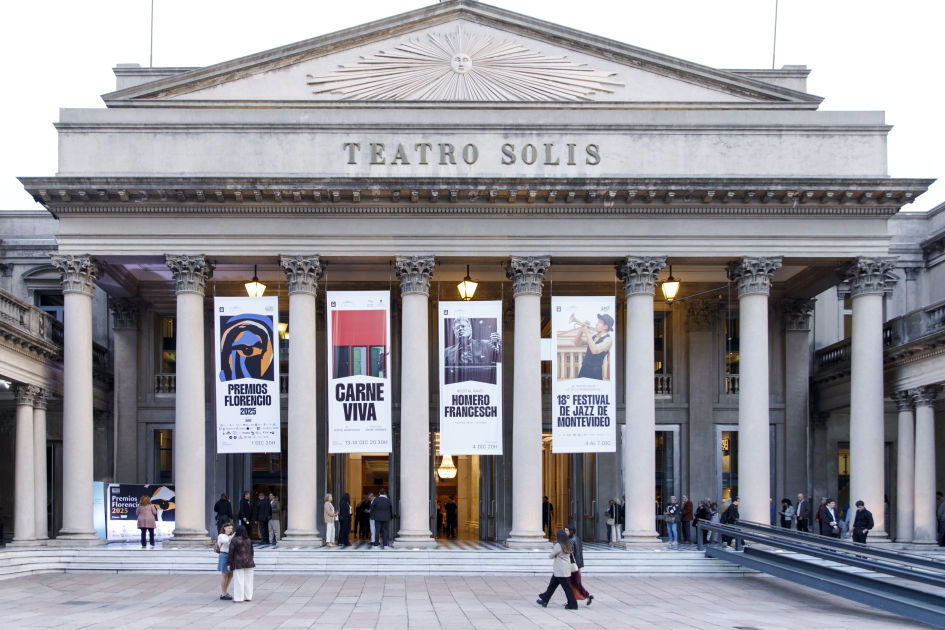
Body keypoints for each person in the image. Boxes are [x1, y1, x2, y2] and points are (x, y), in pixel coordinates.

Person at [444, 316, 502, 385]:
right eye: (457, 328)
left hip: (482, 386)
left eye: (463, 326)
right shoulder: (447, 352)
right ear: (454, 332)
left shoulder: (486, 346)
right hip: (457, 387)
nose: (460, 329)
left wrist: (500, 344)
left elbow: (500, 359)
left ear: (470, 329)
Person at [536, 529, 578, 610]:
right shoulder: (567, 544)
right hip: (564, 569)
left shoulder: (559, 545)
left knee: (567, 588)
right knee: (552, 585)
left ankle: (573, 604)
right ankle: (545, 600)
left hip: (560, 569)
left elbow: (551, 556)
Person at [575, 314, 614, 380]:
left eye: (599, 323)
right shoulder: (593, 337)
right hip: (584, 368)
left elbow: (595, 350)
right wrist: (581, 330)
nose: (596, 324)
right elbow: (576, 342)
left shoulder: (608, 340)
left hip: (595, 371)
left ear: (606, 327)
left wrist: (587, 333)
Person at [565, 524, 593, 606]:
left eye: (566, 530)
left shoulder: (570, 540)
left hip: (572, 565)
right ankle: (572, 600)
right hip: (577, 564)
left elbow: (570, 552)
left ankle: (586, 595)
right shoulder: (577, 538)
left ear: (571, 531)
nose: (565, 532)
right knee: (575, 583)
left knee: (573, 583)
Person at [227, 525, 255, 603]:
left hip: (238, 562)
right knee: (248, 580)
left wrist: (228, 563)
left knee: (239, 580)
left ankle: (239, 597)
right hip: (249, 562)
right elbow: (252, 552)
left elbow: (230, 553)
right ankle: (248, 596)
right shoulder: (248, 540)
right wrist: (251, 559)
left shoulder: (234, 540)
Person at [216, 521, 234, 600]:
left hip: (230, 555)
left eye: (231, 528)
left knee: (230, 574)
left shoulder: (230, 536)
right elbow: (226, 541)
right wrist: (233, 535)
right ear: (224, 528)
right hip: (224, 554)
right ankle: (223, 593)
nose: (230, 530)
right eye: (229, 528)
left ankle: (225, 591)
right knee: (224, 574)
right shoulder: (221, 536)